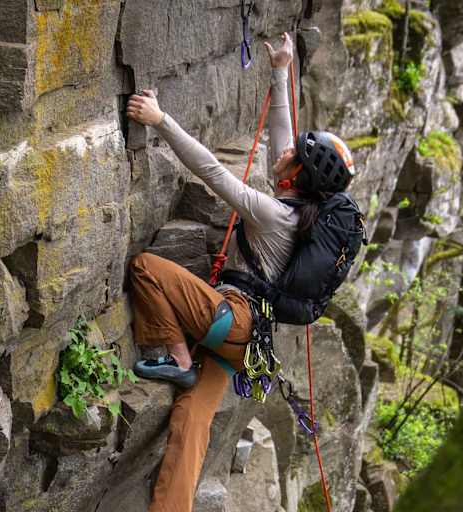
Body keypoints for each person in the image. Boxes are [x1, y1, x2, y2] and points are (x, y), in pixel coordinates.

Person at [125, 32, 355, 512]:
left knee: (147, 268)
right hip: (249, 341)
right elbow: (283, 135)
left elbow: (211, 171)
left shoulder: (272, 214)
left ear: (295, 176)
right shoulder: (298, 206)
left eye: (294, 156)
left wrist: (160, 119)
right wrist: (280, 68)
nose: (285, 151)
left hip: (232, 317)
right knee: (192, 424)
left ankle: (179, 360)